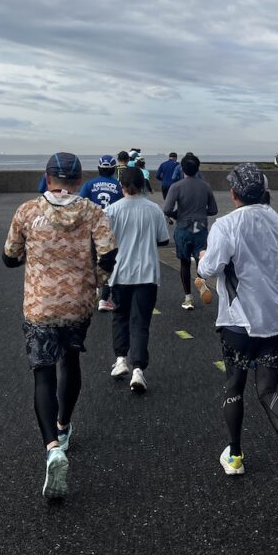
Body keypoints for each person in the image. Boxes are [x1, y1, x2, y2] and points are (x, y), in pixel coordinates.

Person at [2, 152, 117, 500]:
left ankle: (52, 446)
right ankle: (64, 426)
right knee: (71, 362)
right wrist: (95, 278)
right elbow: (109, 255)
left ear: (47, 177)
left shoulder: (27, 211)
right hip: (77, 304)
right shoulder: (92, 213)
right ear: (79, 181)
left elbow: (9, 257)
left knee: (43, 373)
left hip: (39, 305)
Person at [197, 163, 278, 495]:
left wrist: (205, 257)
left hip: (238, 319)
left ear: (233, 194)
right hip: (276, 319)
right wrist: (272, 276)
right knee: (268, 389)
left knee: (234, 385)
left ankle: (234, 455)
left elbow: (210, 267)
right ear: (263, 191)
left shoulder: (227, 225)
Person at [104, 168, 170, 392]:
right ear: (143, 185)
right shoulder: (153, 210)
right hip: (147, 273)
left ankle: (120, 359)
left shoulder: (111, 210)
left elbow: (104, 243)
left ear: (121, 186)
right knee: (140, 322)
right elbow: (163, 240)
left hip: (120, 272)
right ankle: (138, 370)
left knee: (120, 316)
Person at [162, 153, 217, 310]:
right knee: (201, 260)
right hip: (201, 228)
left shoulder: (176, 187)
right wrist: (200, 212)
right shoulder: (205, 186)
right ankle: (202, 284)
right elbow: (213, 209)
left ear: (182, 168)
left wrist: (179, 215)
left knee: (184, 263)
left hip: (183, 229)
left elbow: (167, 209)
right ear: (197, 168)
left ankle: (188, 298)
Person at [80, 155, 124, 312]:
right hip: (111, 230)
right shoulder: (119, 185)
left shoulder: (89, 184)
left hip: (92, 229)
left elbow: (80, 204)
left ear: (99, 168)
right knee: (109, 262)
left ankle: (93, 291)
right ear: (113, 169)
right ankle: (104, 297)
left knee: (92, 260)